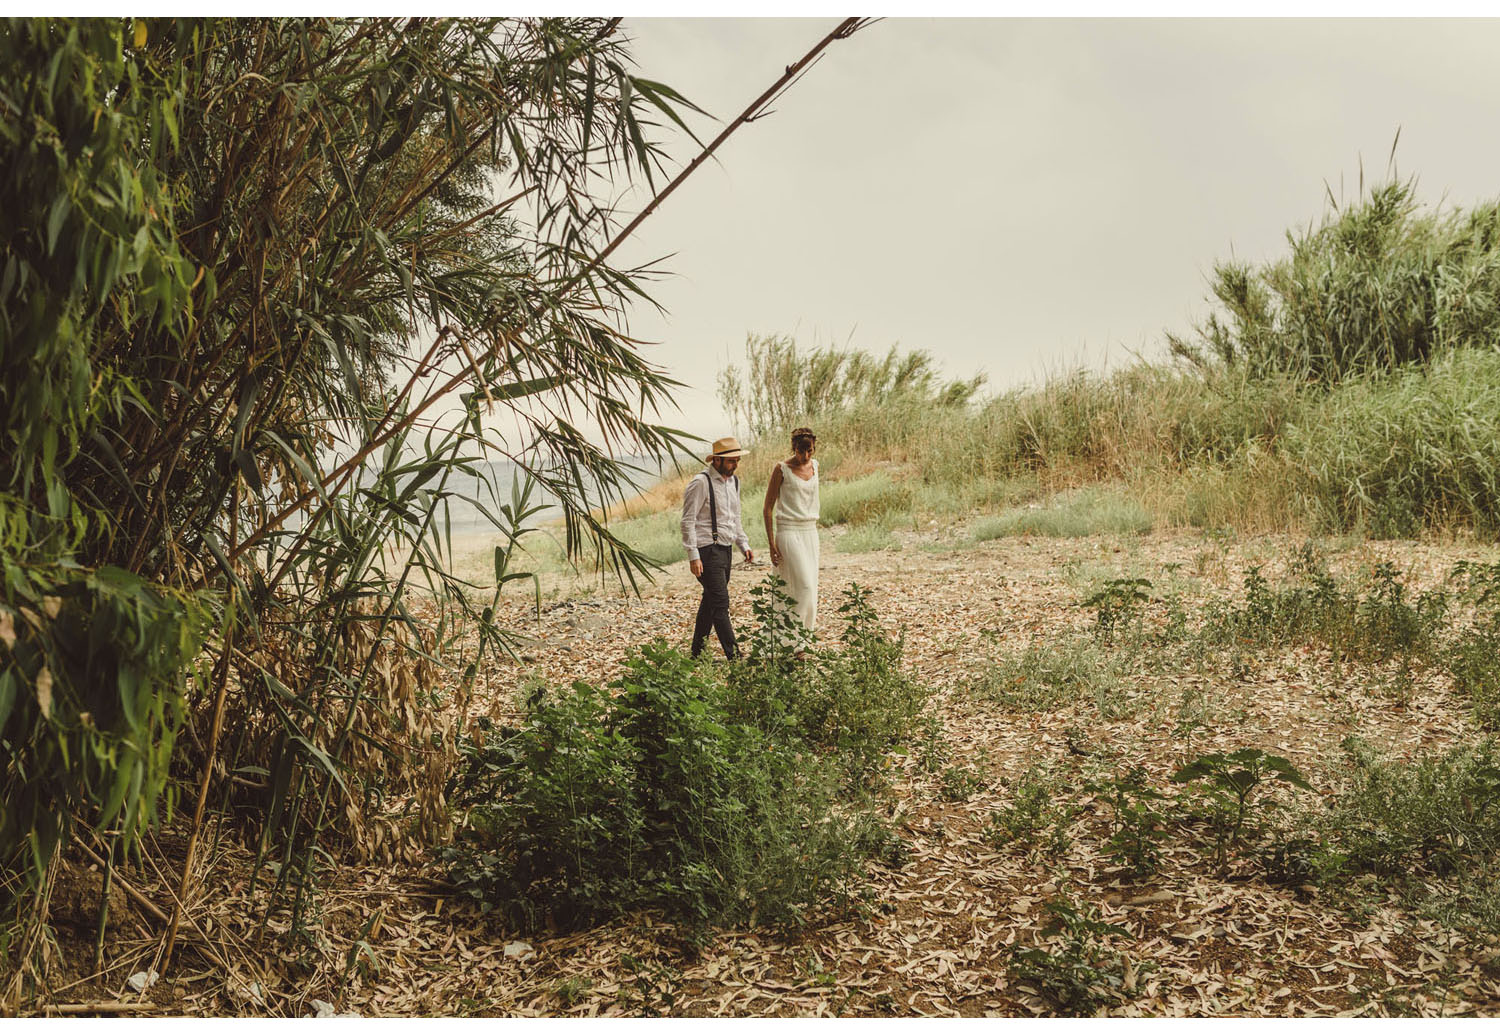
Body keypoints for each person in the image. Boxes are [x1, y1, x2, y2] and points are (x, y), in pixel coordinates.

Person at [681, 436, 754, 659]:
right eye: (732, 461)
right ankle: (735, 656)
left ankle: (697, 653)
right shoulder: (700, 483)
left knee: (710, 602)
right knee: (720, 603)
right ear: (718, 461)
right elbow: (687, 521)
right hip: (706, 550)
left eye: (737, 460)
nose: (735, 465)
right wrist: (693, 556)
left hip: (726, 549)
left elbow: (734, 517)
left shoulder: (734, 482)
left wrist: (743, 544)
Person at [762, 427, 820, 638]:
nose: (805, 456)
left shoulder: (815, 466)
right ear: (793, 448)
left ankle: (802, 642)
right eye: (800, 451)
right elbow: (767, 508)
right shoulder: (781, 469)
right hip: (788, 532)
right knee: (803, 586)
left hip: (810, 533)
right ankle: (791, 640)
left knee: (811, 590)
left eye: (810, 451)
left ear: (814, 449)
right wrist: (771, 544)